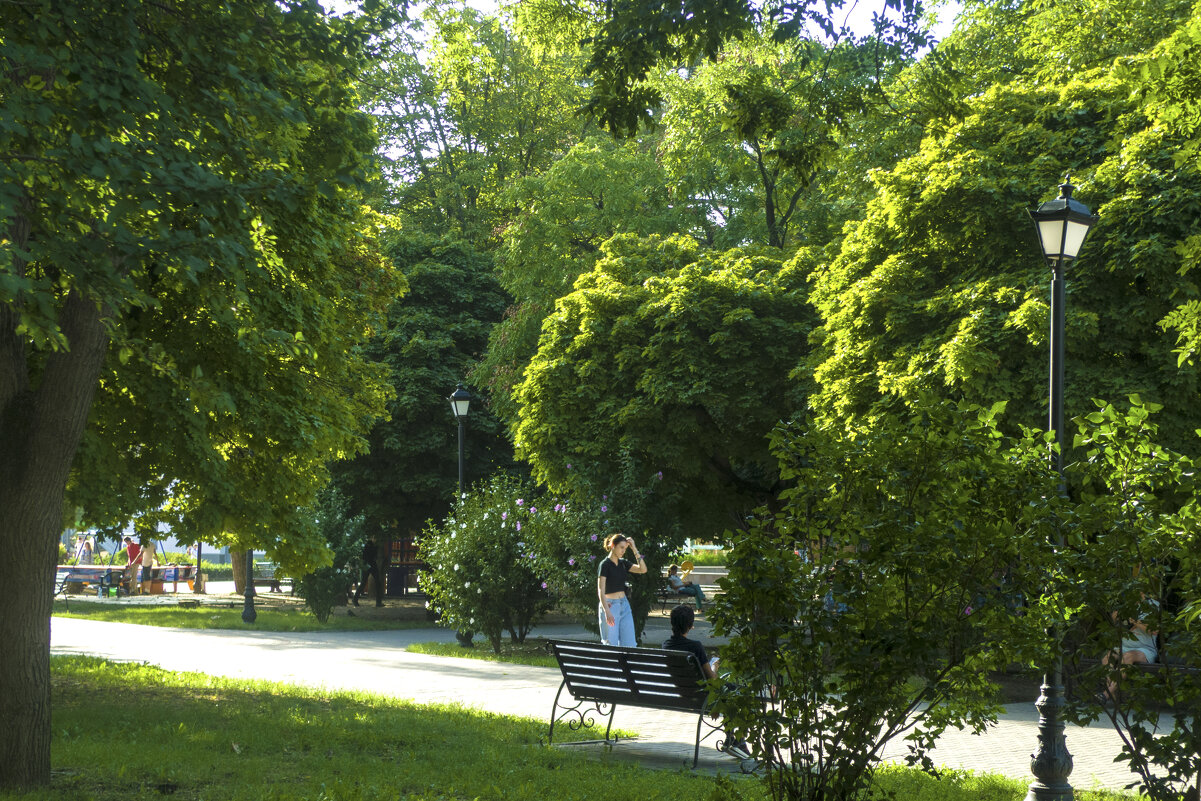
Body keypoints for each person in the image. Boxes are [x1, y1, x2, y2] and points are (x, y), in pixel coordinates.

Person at [662, 604, 751, 760]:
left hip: (681, 694)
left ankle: (735, 739)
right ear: (691, 626)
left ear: (672, 624)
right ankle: (738, 740)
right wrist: (715, 667)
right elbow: (712, 680)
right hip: (703, 697)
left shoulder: (666, 645)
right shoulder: (695, 647)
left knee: (732, 691)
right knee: (741, 693)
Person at [1102, 595, 1159, 700]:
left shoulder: (1153, 605)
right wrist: (1115, 618)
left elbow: (1155, 630)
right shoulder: (1125, 604)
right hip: (1123, 647)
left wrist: (1135, 621)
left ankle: (1106, 693)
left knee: (1127, 657)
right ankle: (1112, 691)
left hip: (1145, 649)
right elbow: (1117, 625)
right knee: (1107, 657)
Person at [598, 532, 647, 647]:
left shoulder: (623, 563)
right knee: (610, 645)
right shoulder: (604, 564)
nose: (623, 551)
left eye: (625, 548)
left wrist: (634, 548)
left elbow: (643, 569)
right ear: (612, 546)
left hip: (624, 605)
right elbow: (601, 589)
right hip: (610, 606)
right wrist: (607, 611)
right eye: (621, 547)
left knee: (630, 645)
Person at [352, 538, 384, 607]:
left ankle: (378, 602)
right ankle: (355, 599)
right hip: (367, 565)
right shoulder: (367, 545)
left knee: (377, 582)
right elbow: (366, 556)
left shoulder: (375, 545)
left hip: (370, 564)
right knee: (364, 583)